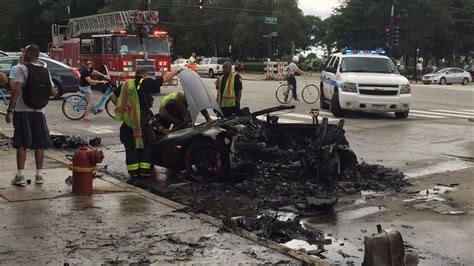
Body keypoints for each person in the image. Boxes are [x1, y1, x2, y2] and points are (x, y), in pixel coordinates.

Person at [115, 67, 182, 179]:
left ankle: (134, 172)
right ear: (144, 75)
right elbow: (165, 79)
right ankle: (145, 171)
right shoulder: (146, 82)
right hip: (142, 118)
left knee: (131, 144)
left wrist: (126, 109)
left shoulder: (126, 84)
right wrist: (176, 71)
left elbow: (112, 96)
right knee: (147, 143)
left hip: (128, 119)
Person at [5, 44, 57, 185]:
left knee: (21, 143)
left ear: (28, 54)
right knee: (39, 144)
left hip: (22, 112)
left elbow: (16, 91)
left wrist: (10, 110)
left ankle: (20, 176)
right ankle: (39, 176)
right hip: (39, 112)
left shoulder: (22, 69)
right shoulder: (45, 71)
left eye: (25, 52)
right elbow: (53, 92)